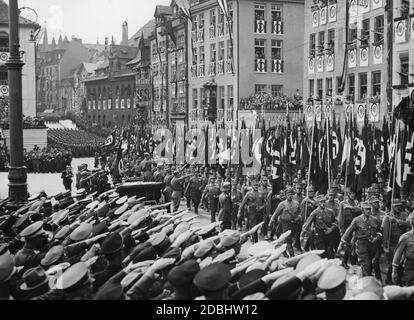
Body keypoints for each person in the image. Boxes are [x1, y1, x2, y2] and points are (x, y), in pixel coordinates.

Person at [339, 202, 382, 278]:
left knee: (369, 265)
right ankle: (365, 282)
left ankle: (362, 278)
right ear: (362, 210)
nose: (368, 211)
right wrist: (341, 244)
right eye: (366, 209)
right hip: (361, 245)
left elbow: (380, 231)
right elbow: (348, 232)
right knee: (366, 264)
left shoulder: (374, 220)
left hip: (372, 245)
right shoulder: (357, 220)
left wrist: (377, 237)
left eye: (369, 209)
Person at [382, 199, 410, 285]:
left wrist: (396, 221)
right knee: (392, 262)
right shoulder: (387, 216)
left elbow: (409, 224)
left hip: (402, 242)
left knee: (401, 263)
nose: (399, 207)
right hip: (392, 242)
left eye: (400, 205)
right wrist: (384, 245)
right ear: (392, 206)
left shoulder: (404, 215)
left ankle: (398, 280)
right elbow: (385, 232)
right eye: (396, 206)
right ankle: (389, 279)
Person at [269, 187, 301, 256]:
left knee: (289, 239)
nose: (290, 196)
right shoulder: (282, 204)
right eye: (288, 194)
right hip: (285, 223)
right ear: (286, 195)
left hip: (293, 223)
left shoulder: (296, 203)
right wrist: (271, 221)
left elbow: (299, 213)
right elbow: (276, 213)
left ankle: (282, 250)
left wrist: (298, 218)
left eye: (291, 194)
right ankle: (292, 255)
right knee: (288, 239)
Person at [392, 212, 414, 286]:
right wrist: (394, 272)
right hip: (410, 267)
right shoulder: (405, 237)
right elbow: (397, 255)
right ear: (412, 224)